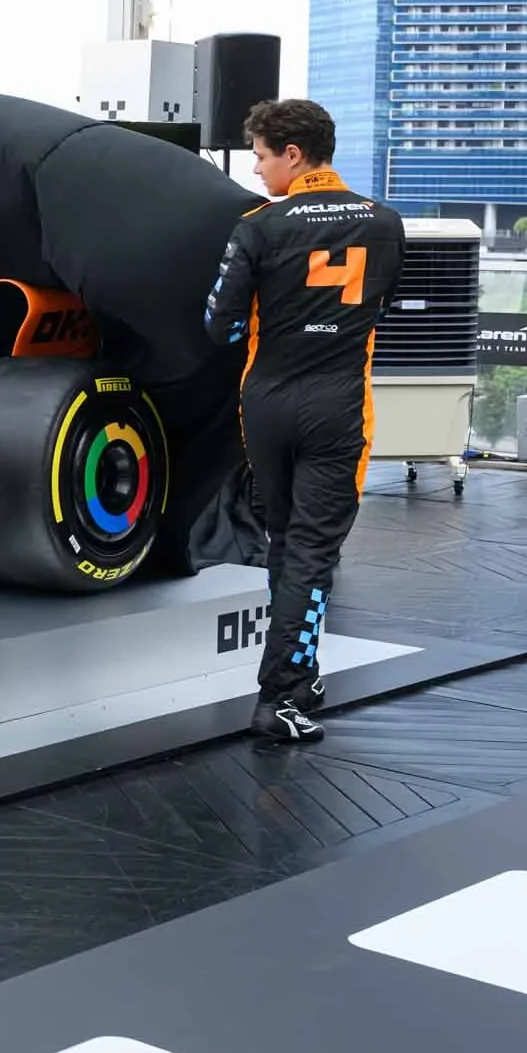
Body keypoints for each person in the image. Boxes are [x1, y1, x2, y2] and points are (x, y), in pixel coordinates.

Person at [203, 97, 404, 744]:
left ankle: (298, 672)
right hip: (337, 408)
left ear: (293, 153)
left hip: (265, 405)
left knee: (287, 545)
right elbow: (381, 309)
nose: (258, 170)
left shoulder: (258, 226)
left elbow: (221, 325)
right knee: (312, 554)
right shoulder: (383, 222)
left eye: (261, 155)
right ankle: (281, 695)